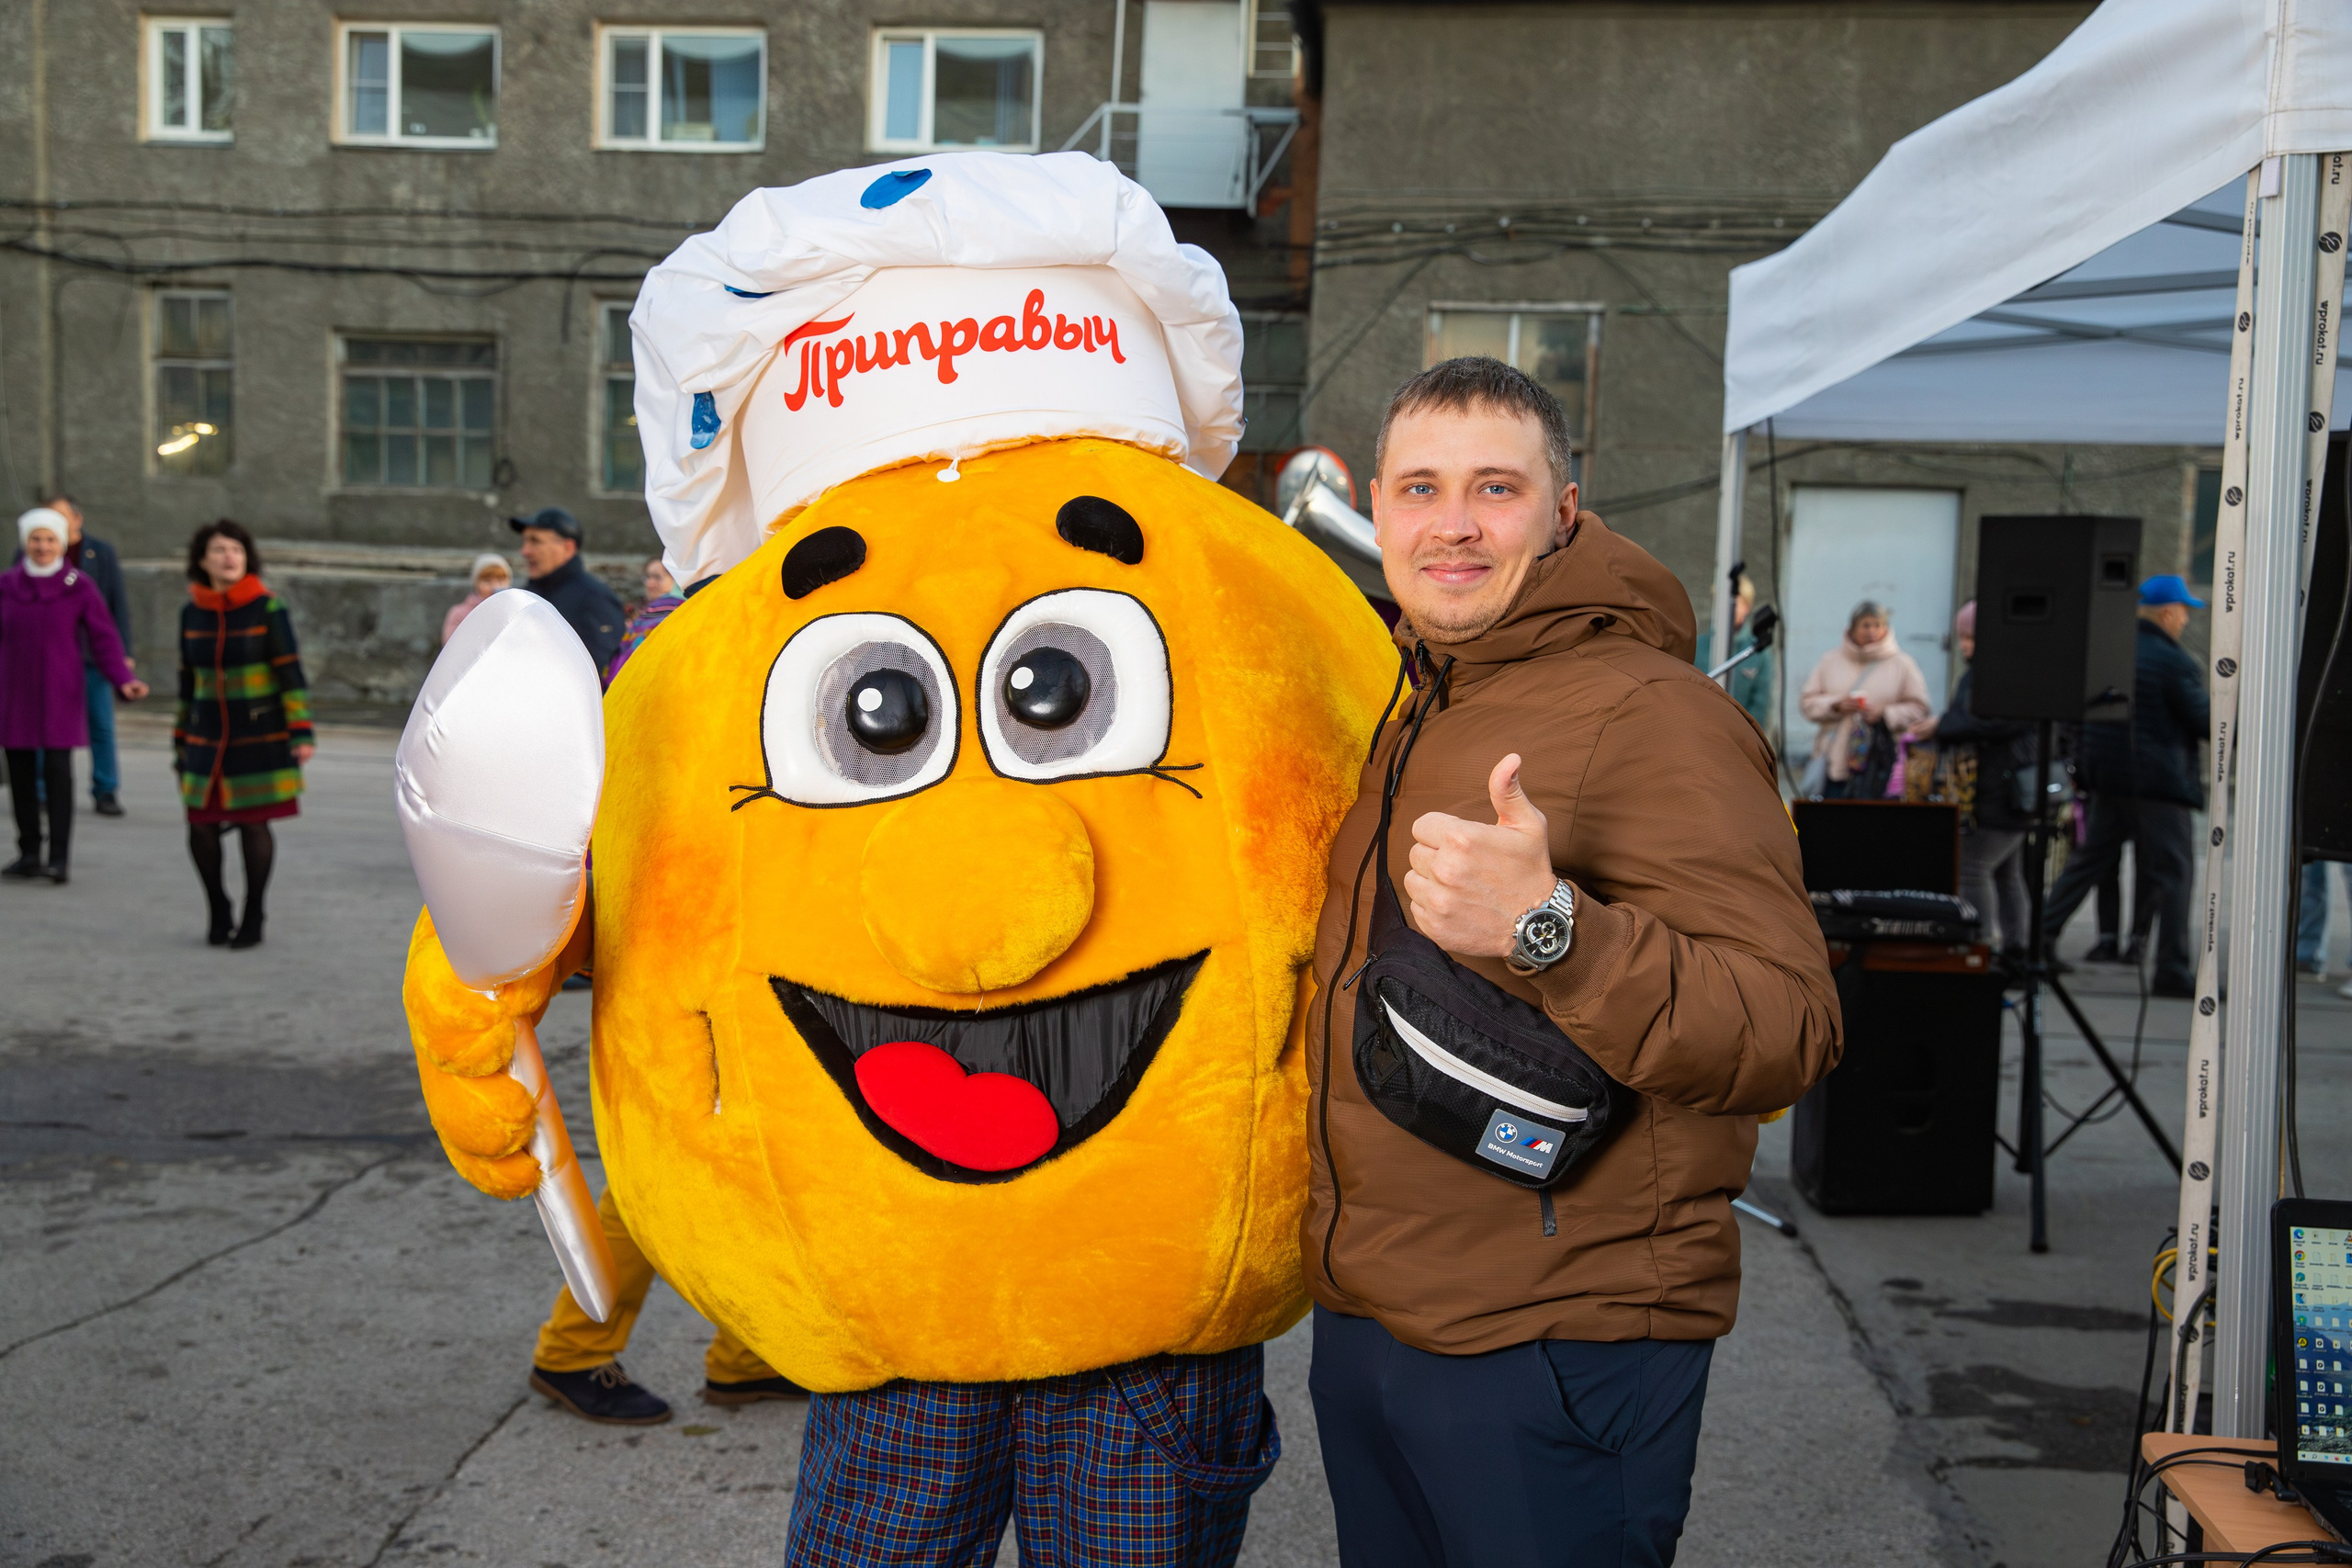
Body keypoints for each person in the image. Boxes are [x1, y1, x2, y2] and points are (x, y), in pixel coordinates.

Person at [1305, 357, 1841, 1567]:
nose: (1452, 523)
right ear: (1378, 507)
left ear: (1566, 510)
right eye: (1421, 487)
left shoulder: (1655, 713)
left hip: (1556, 1339)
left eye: (1496, 487)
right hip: (1377, 1322)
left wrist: (1552, 928)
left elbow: (1787, 1023)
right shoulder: (1419, 703)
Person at [2040, 575, 2209, 998]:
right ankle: (2170, 967)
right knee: (2173, 873)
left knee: (2087, 862)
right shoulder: (2174, 661)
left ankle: (2036, 942)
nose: (2185, 621)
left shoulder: (2107, 650)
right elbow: (2205, 722)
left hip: (2107, 779)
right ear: (2169, 613)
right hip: (2157, 784)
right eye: (2185, 612)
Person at [177, 521, 313, 948]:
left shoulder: (267, 608)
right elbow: (187, 679)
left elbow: (289, 671)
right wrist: (181, 733)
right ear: (203, 561)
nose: (228, 557)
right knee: (200, 826)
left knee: (254, 826)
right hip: (205, 738)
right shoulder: (192, 611)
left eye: (235, 549)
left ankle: (254, 913)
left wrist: (301, 730)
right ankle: (218, 907)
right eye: (218, 550)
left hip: (258, 735)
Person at [1, 508, 146, 882]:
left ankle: (58, 858)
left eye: (50, 539)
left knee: (57, 773)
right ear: (25, 543)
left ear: (62, 543)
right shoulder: (7, 585)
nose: (42, 546)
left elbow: (103, 638)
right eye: (35, 539)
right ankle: (29, 852)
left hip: (59, 692)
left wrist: (122, 678)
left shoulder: (78, 585)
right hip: (14, 692)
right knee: (19, 774)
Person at [1905, 600, 2034, 959]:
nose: (1964, 646)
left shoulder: (1997, 674)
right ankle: (2016, 948)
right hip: (2009, 787)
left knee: (1973, 868)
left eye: (1971, 638)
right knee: (2008, 873)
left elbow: (1993, 719)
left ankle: (1979, 947)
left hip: (2000, 787)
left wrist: (1941, 725)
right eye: (1962, 637)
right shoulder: (2001, 670)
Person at [15, 495, 136, 818]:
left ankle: (105, 788)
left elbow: (116, 606)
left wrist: (124, 656)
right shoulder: (24, 558)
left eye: (60, 518)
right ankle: (41, 790)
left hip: (92, 658)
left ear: (77, 520)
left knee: (101, 725)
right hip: (45, 663)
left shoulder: (99, 554)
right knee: (39, 727)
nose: (43, 544)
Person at [1798, 600, 1932, 798]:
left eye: (1877, 625)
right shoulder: (1830, 660)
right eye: (1865, 625)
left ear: (1886, 629)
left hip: (1882, 765)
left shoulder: (1903, 664)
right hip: (1834, 765)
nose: (1871, 631)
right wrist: (1835, 705)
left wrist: (1885, 715)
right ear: (1852, 629)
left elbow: (1920, 708)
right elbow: (1807, 703)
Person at [512, 507, 625, 672]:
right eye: (525, 541)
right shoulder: (527, 594)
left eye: (535, 541)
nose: (525, 551)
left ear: (568, 548)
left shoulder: (594, 598)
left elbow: (603, 672)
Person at [1692, 570, 1774, 736]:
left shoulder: (1757, 653)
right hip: (1700, 734)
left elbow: (1760, 705)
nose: (1732, 608)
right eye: (1726, 602)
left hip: (1740, 739)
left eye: (1739, 603)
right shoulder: (1698, 646)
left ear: (1748, 607)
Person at [440, 553, 513, 646]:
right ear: (476, 584)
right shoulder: (458, 614)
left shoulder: (513, 611)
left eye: (500, 580)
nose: (495, 585)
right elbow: (451, 647)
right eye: (487, 580)